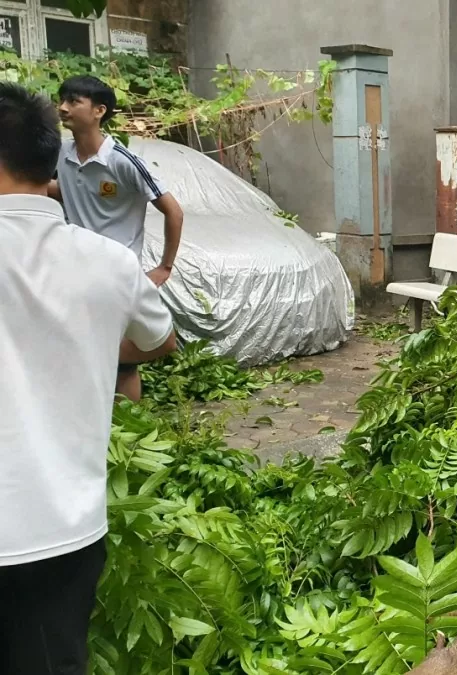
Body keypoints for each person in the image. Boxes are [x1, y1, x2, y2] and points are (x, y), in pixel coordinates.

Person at [0, 82, 177, 674]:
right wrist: (91, 342)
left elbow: (167, 206)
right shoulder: (107, 263)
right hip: (65, 531)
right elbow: (162, 341)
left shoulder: (123, 161)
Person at [49, 74, 184, 402]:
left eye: (73, 101)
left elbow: (173, 211)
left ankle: (126, 428)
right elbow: (67, 192)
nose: (63, 108)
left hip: (116, 273)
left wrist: (165, 267)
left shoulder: (121, 162)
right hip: (75, 268)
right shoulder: (61, 155)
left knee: (122, 358)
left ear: (99, 111)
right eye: (62, 100)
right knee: (84, 345)